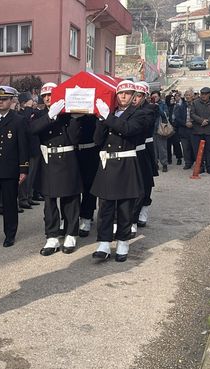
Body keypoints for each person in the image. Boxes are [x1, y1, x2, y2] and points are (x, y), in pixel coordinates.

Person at [91, 81, 145, 262]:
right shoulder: (110, 114)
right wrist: (100, 120)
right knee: (105, 205)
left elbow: (128, 130)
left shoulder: (139, 113)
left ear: (133, 96)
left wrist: (108, 117)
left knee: (124, 207)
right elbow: (98, 140)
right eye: (120, 93)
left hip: (126, 163)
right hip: (107, 163)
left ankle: (123, 241)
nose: (123, 96)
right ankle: (104, 242)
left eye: (128, 93)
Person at [30, 97, 82, 255]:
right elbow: (31, 130)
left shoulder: (67, 116)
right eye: (44, 96)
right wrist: (49, 116)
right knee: (49, 201)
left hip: (67, 160)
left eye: (51, 95)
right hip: (48, 161)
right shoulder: (39, 116)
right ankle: (51, 236)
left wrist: (74, 119)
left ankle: (71, 233)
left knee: (70, 200)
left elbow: (74, 138)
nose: (47, 99)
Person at [0, 85, 29, 248]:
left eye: (4, 99)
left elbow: (23, 146)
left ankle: (10, 235)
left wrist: (23, 169)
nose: (0, 102)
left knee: (9, 204)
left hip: (10, 169)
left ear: (11, 101)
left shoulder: (19, 120)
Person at [132, 82, 155, 232]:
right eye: (133, 96)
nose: (134, 99)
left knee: (146, 181)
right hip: (132, 148)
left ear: (145, 96)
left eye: (138, 96)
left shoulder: (150, 110)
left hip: (145, 148)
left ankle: (143, 209)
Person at [190, 87, 210, 174]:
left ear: (209, 94)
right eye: (202, 94)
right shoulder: (195, 102)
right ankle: (200, 166)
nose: (203, 96)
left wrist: (208, 121)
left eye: (205, 94)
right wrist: (201, 121)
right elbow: (192, 113)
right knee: (197, 150)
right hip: (197, 130)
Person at [173, 89, 196, 170]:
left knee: (194, 147)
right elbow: (177, 118)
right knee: (185, 148)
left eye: (189, 95)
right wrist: (185, 123)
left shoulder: (196, 105)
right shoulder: (181, 106)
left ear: (193, 96)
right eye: (186, 95)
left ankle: (197, 162)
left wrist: (193, 123)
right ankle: (187, 162)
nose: (187, 97)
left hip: (194, 129)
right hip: (183, 129)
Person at [151, 91, 170, 172]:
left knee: (162, 148)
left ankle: (164, 164)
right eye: (153, 97)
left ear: (159, 97)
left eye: (156, 96)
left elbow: (165, 114)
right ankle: (155, 164)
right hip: (152, 130)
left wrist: (158, 107)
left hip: (161, 128)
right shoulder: (149, 105)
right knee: (153, 149)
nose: (154, 98)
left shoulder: (163, 104)